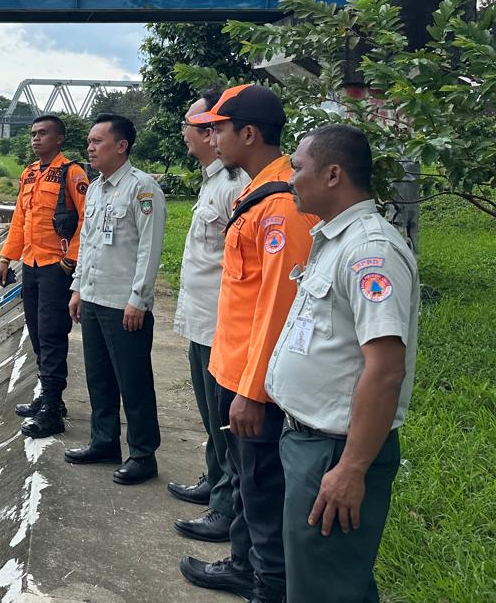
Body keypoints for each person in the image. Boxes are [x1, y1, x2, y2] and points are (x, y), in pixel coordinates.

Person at [266, 124, 419, 603]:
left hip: (335, 451)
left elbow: (386, 368)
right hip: (309, 442)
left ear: (333, 174)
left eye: (298, 168)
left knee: (328, 587)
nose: (290, 179)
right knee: (318, 578)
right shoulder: (333, 239)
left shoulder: (369, 251)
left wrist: (352, 468)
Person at [179, 83, 318, 603]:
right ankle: (242, 565)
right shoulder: (253, 191)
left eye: (218, 127)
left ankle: (269, 586)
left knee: (262, 491)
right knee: (243, 482)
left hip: (250, 381)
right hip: (230, 365)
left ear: (249, 133)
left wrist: (253, 392)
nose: (210, 137)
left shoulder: (281, 206)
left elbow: (277, 308)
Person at [64, 113, 167, 485]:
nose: (90, 148)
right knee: (99, 378)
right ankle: (104, 441)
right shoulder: (95, 188)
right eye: (89, 142)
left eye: (98, 141)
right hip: (93, 297)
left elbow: (150, 249)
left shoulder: (142, 189)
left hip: (124, 304)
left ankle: (143, 454)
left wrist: (139, 299)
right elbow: (88, 242)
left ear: (121, 146)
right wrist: (78, 289)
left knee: (134, 382)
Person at [168, 89, 249, 542]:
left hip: (220, 323)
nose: (191, 133)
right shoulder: (212, 182)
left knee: (222, 417)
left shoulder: (235, 186)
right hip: (200, 318)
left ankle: (226, 506)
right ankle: (215, 479)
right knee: (209, 414)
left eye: (201, 126)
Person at [0, 114, 89, 438]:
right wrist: (7, 257)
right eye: (33, 134)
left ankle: (52, 410)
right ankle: (48, 398)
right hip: (31, 265)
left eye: (43, 133)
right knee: (36, 333)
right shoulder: (30, 174)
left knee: (51, 336)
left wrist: (70, 261)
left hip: (55, 268)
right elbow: (20, 221)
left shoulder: (72, 173)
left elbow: (84, 221)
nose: (36, 139)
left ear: (59, 138)